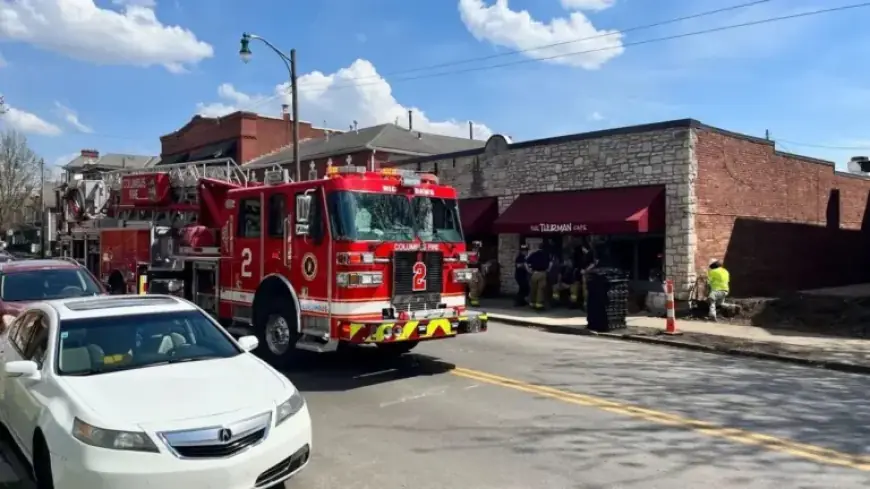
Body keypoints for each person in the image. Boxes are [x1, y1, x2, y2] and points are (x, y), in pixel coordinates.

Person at [526, 244, 551, 310]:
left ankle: (532, 303)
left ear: (538, 248)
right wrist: (548, 270)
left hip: (535, 273)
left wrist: (529, 270)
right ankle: (539, 304)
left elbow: (526, 262)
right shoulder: (546, 254)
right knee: (541, 289)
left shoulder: (534, 254)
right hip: (543, 273)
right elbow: (550, 263)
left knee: (533, 289)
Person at [574, 244, 597, 310]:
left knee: (586, 290)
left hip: (588, 274)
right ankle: (586, 304)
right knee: (585, 289)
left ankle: (587, 304)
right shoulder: (587, 255)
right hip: (585, 273)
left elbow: (593, 263)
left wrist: (585, 270)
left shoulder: (590, 254)